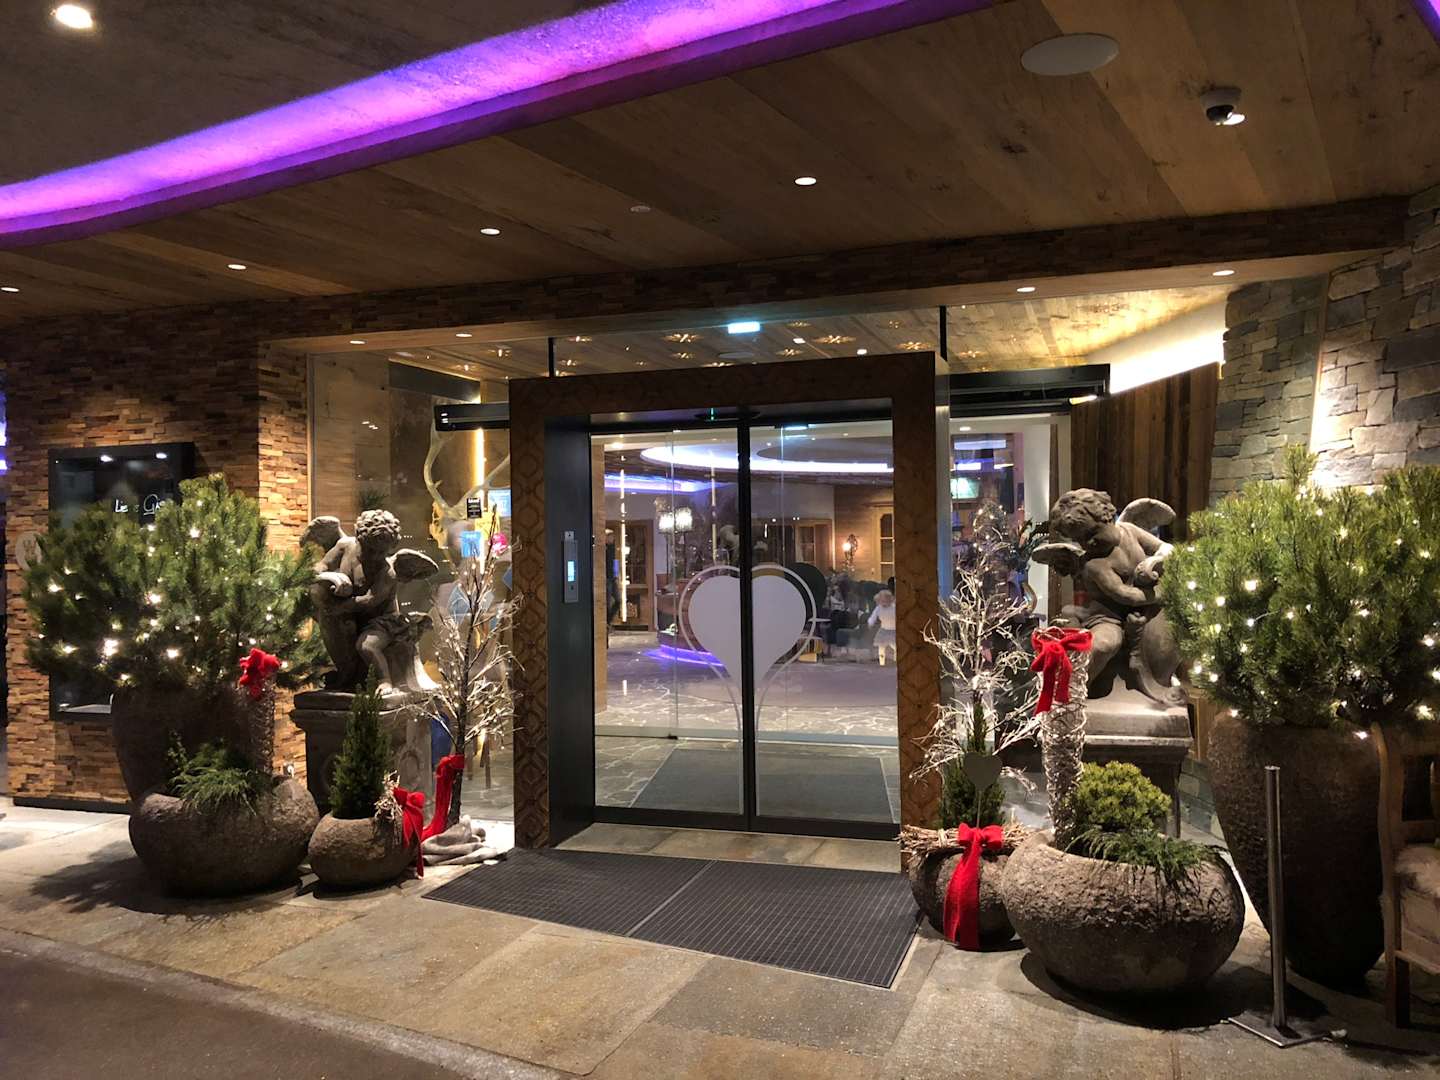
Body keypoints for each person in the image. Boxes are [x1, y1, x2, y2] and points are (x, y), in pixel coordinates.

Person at [868, 588, 897, 666]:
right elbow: (873, 616)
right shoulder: (878, 608)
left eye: (885, 600)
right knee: (881, 646)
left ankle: (896, 660)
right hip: (883, 630)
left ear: (890, 600)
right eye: (882, 600)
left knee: (895, 646)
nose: (883, 602)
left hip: (894, 630)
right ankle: (882, 663)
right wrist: (870, 623)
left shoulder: (894, 608)